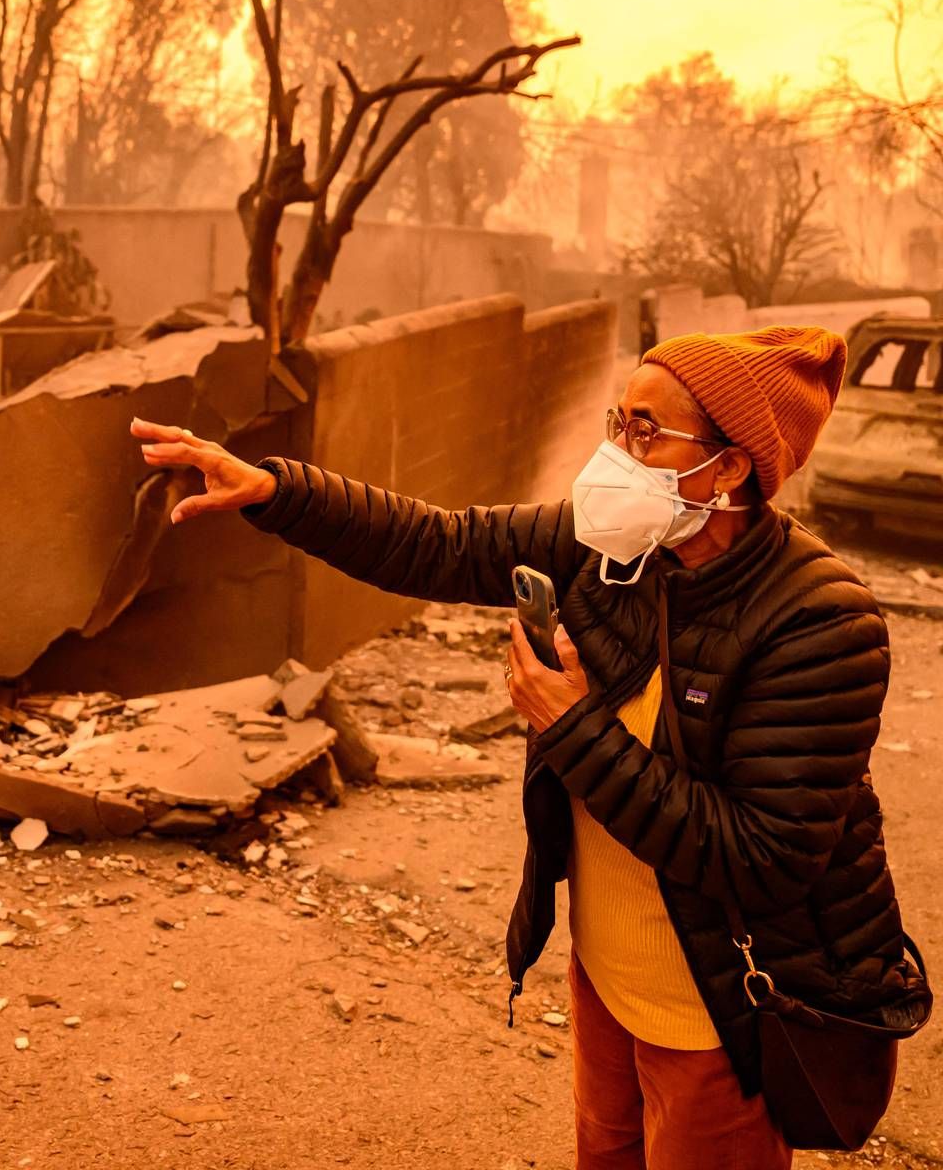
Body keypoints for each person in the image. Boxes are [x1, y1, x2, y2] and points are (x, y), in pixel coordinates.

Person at [132, 325, 922, 1168]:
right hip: (607, 975)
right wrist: (274, 492)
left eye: (646, 432)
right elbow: (441, 542)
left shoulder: (819, 620)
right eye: (617, 423)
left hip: (718, 1015)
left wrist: (572, 725)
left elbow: (761, 858)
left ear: (729, 468)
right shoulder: (617, 547)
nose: (616, 452)